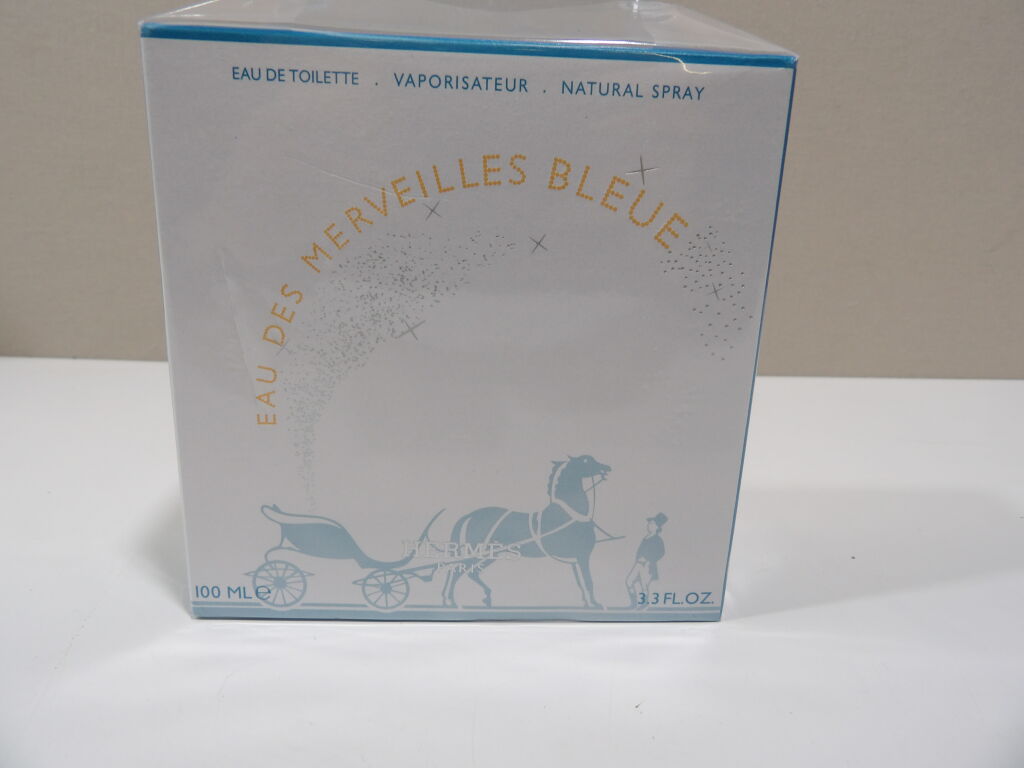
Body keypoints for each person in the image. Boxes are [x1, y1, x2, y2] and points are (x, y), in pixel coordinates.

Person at [626, 513, 667, 608]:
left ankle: (644, 604)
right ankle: (634, 603)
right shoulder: (646, 537)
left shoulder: (658, 539)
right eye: (649, 523)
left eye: (652, 524)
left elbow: (661, 552)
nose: (649, 525)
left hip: (647, 565)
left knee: (644, 585)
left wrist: (649, 560)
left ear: (657, 527)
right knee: (629, 581)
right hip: (638, 564)